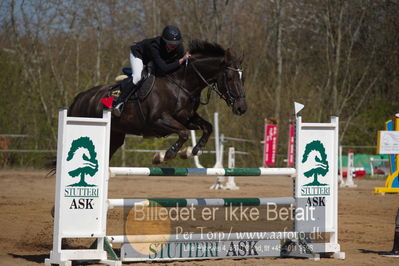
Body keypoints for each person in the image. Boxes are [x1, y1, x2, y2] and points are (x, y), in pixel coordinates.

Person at [112, 25, 191, 117]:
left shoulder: (178, 47)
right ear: (164, 41)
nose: (173, 46)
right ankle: (119, 103)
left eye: (175, 43)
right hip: (139, 54)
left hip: (153, 58)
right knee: (138, 77)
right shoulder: (154, 46)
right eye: (170, 43)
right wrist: (181, 60)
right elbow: (164, 68)